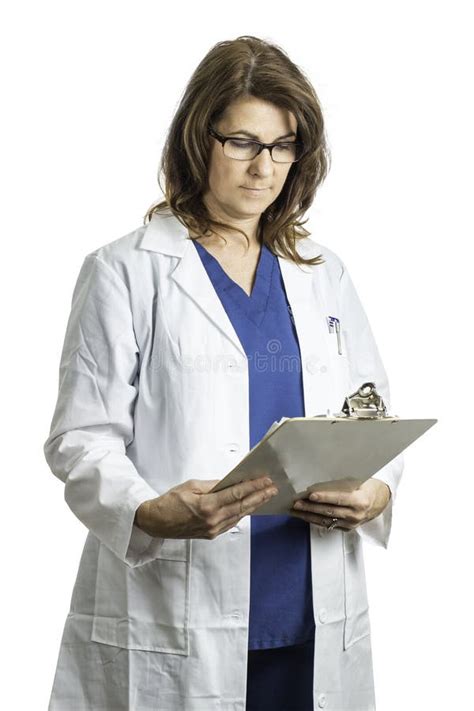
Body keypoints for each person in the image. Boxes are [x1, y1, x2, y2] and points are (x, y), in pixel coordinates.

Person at [43, 35, 403, 711]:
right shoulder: (128, 270)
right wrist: (148, 510)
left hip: (309, 603)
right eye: (241, 141)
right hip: (177, 603)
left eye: (283, 145)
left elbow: (373, 417)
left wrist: (377, 491)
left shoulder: (323, 275)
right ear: (196, 140)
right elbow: (80, 437)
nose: (264, 167)